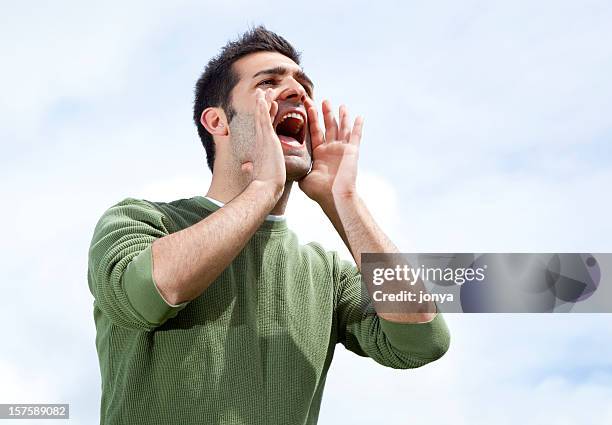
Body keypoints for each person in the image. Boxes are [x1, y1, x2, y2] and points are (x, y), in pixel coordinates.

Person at [87, 26, 450, 425]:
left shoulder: (326, 275)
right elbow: (151, 291)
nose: (298, 92)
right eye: (269, 82)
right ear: (218, 122)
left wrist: (343, 200)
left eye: (304, 86)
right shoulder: (141, 221)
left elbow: (422, 339)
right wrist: (262, 189)